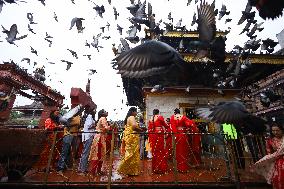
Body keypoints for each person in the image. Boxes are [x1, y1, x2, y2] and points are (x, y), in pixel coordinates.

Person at [252, 122, 284, 189]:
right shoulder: (270, 141)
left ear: (282, 130)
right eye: (273, 131)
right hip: (277, 161)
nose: (275, 132)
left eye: (277, 130)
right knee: (278, 178)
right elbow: (269, 152)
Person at [170, 108, 199, 172]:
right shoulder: (183, 117)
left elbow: (173, 128)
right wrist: (188, 129)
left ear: (174, 113)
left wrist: (175, 135)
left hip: (177, 136)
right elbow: (189, 124)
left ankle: (179, 167)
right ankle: (184, 167)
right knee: (184, 151)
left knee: (178, 151)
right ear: (179, 112)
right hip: (183, 136)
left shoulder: (172, 117)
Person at [117, 107, 144, 176]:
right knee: (131, 154)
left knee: (132, 154)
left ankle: (131, 171)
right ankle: (122, 169)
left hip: (130, 137)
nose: (136, 113)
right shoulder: (132, 117)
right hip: (132, 137)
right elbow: (134, 126)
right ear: (132, 112)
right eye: (136, 111)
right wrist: (141, 130)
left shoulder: (128, 118)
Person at [57, 104, 83, 173]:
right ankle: (60, 168)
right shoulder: (69, 116)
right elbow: (64, 121)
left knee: (70, 152)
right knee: (65, 151)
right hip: (68, 135)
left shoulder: (78, 117)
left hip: (74, 136)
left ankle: (67, 166)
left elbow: (79, 125)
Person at [148, 109, 171, 174]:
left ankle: (155, 168)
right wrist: (169, 127)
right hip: (159, 135)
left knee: (155, 151)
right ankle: (161, 168)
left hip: (153, 136)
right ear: (158, 112)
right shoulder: (160, 117)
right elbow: (165, 125)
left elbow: (149, 129)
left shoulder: (150, 119)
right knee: (160, 151)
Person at [88, 109, 110, 176]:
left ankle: (97, 171)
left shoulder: (101, 118)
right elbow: (106, 128)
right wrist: (111, 126)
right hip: (100, 138)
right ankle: (94, 172)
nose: (107, 112)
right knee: (98, 155)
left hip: (100, 137)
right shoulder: (103, 118)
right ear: (102, 114)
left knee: (100, 154)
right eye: (105, 111)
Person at [77, 108, 96, 175]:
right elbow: (88, 126)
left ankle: (83, 168)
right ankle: (82, 170)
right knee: (86, 153)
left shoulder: (88, 117)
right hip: (88, 136)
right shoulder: (90, 117)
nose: (95, 111)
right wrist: (95, 126)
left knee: (86, 153)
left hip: (88, 136)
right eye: (94, 110)